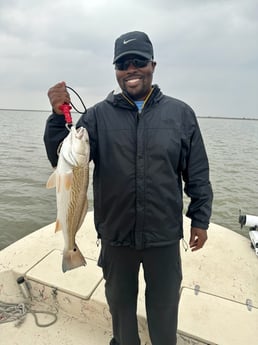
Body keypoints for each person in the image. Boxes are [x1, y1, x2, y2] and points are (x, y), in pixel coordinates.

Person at [44, 31, 213, 345]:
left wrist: (200, 219)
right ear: (116, 70)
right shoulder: (95, 117)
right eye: (123, 63)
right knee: (121, 310)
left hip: (163, 236)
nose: (131, 69)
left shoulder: (181, 114)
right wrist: (57, 117)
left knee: (164, 311)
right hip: (116, 235)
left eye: (139, 62)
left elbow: (198, 173)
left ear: (153, 65)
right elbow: (61, 156)